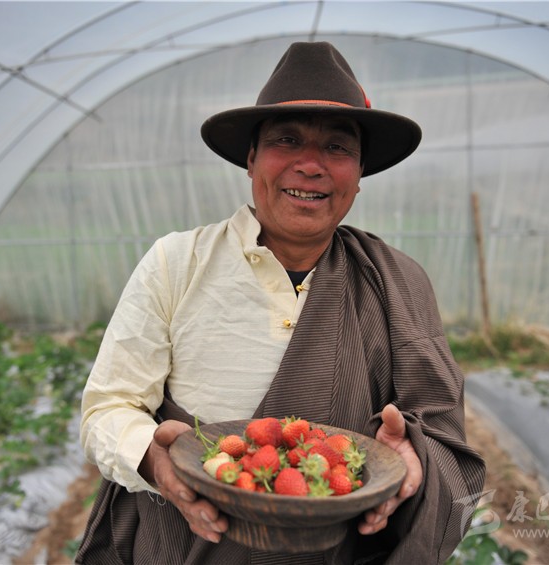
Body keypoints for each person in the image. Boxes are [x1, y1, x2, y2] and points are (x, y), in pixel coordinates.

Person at [76, 41, 486, 565]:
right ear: (250, 160)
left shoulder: (399, 281)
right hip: (187, 546)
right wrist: (156, 463)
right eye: (286, 140)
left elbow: (441, 433)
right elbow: (109, 407)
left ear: (360, 174)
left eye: (337, 147)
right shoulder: (176, 263)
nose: (311, 165)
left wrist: (414, 459)